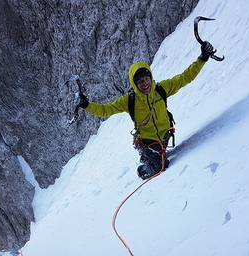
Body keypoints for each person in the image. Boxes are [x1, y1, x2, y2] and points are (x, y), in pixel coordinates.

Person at [78, 42, 215, 179]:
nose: (145, 83)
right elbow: (105, 110)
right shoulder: (129, 101)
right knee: (159, 167)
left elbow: (185, 77)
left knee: (161, 158)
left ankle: (155, 155)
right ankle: (143, 168)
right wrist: (86, 105)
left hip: (165, 135)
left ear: (150, 77)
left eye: (146, 79)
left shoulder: (161, 89)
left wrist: (202, 58)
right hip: (148, 142)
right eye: (140, 81)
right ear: (135, 84)